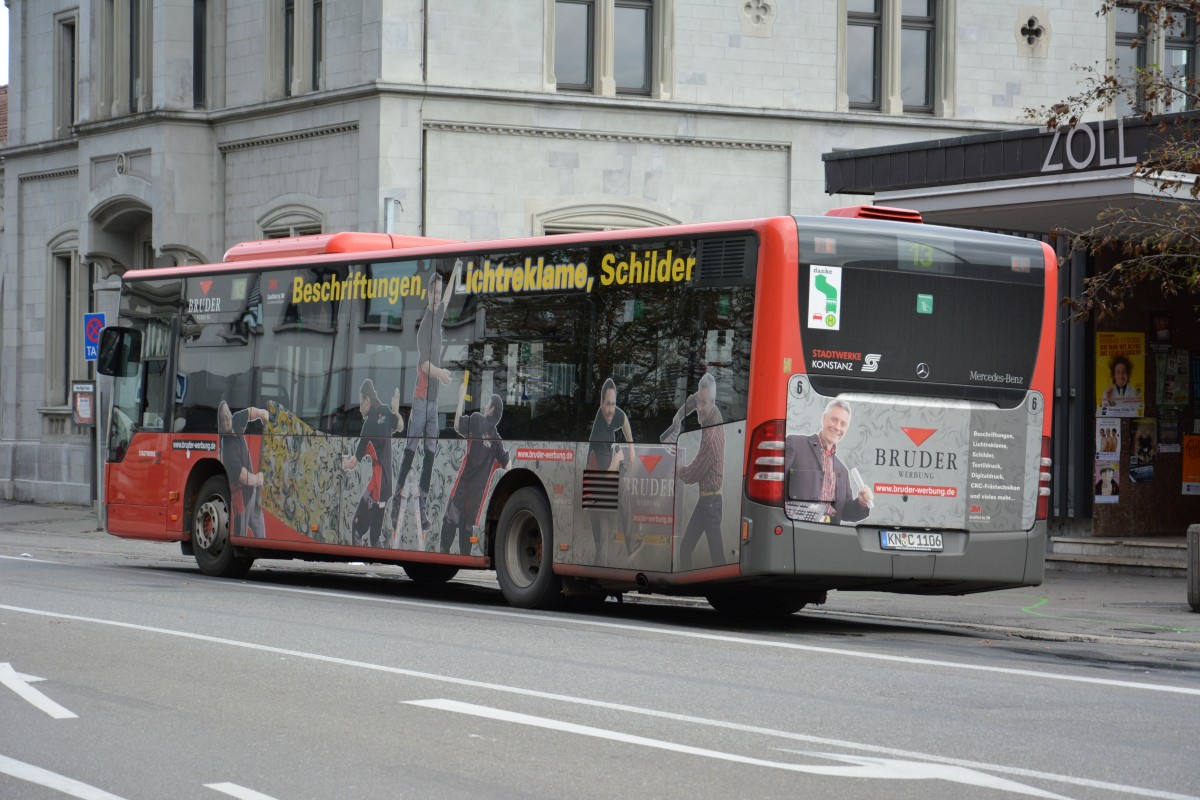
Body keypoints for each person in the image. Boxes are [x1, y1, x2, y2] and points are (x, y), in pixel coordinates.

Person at [392, 264, 458, 538]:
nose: (437, 297)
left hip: (433, 402)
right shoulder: (424, 326)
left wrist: (459, 268)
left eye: (438, 292)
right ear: (427, 293)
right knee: (411, 448)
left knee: (430, 452)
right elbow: (425, 364)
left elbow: (449, 297)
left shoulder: (438, 313)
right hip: (421, 400)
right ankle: (397, 501)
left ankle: (421, 503)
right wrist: (442, 374)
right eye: (433, 292)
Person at [438, 387, 510, 555]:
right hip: (476, 499)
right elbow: (508, 467)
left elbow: (456, 425)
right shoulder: (497, 442)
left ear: (491, 410)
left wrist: (460, 398)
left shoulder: (477, 420)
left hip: (462, 489)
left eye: (487, 405)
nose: (485, 407)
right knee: (466, 540)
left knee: (446, 536)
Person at [785, 398, 872, 524]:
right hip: (798, 529)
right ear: (824, 418)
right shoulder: (796, 444)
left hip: (829, 534)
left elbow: (845, 513)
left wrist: (861, 502)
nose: (837, 427)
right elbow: (776, 485)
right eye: (834, 420)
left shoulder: (842, 470)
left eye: (843, 424)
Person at [675, 373, 726, 570]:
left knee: (716, 558)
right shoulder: (705, 404)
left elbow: (695, 472)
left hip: (710, 504)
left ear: (712, 402)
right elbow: (692, 400)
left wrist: (679, 470)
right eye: (700, 402)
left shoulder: (712, 436)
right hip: (707, 501)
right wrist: (678, 416)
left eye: (704, 403)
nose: (700, 408)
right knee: (688, 549)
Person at [343, 379, 402, 548]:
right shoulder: (384, 410)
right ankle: (376, 557)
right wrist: (396, 409)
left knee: (356, 527)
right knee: (375, 536)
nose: (360, 408)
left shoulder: (368, 424)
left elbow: (354, 462)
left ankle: (356, 563)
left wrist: (342, 463)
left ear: (367, 401)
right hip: (387, 484)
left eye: (361, 403)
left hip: (376, 485)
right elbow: (400, 426)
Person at [586, 377, 636, 562]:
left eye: (613, 404)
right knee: (603, 544)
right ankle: (630, 545)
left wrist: (631, 446)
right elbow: (607, 475)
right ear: (601, 404)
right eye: (607, 405)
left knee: (602, 544)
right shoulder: (599, 432)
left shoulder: (613, 413)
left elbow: (624, 420)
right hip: (595, 491)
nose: (610, 410)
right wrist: (618, 458)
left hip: (600, 489)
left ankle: (630, 546)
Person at [217, 400, 270, 538]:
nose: (227, 420)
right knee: (240, 536)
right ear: (220, 424)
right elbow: (241, 475)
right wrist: (257, 479)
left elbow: (249, 412)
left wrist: (262, 414)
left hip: (251, 494)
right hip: (241, 500)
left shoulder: (235, 420)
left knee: (260, 529)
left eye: (228, 416)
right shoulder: (226, 445)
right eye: (223, 419)